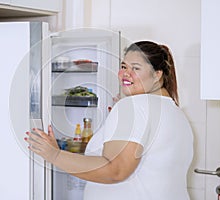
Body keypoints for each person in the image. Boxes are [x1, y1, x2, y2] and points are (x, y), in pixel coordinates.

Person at [25, 41, 194, 200]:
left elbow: (116, 170)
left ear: (157, 75)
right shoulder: (176, 113)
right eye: (123, 66)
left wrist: (55, 155)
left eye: (135, 68)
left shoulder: (134, 106)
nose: (125, 73)